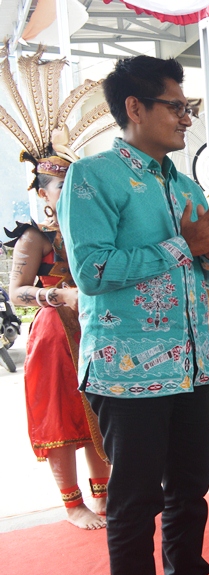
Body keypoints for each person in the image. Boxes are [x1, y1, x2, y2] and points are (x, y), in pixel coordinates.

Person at [60, 55, 209, 575]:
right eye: (176, 105)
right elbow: (91, 272)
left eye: (187, 105)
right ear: (135, 109)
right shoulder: (92, 178)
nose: (186, 116)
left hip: (193, 366)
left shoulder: (187, 184)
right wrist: (184, 246)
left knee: (191, 489)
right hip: (130, 373)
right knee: (134, 501)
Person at [0, 47, 112, 530]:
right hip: (53, 335)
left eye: (72, 182)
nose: (65, 191)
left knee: (101, 412)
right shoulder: (34, 235)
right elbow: (15, 292)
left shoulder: (95, 226)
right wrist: (57, 295)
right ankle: (72, 503)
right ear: (42, 190)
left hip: (95, 327)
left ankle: (107, 495)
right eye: (57, 184)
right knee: (63, 419)